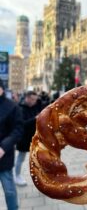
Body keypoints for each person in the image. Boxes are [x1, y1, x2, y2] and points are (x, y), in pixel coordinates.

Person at [0, 78, 23, 210]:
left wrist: (3, 147)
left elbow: (18, 131)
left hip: (4, 157)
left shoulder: (12, 107)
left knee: (9, 191)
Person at [15, 91, 41, 186]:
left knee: (37, 158)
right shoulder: (20, 108)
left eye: (35, 99)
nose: (35, 101)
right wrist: (35, 118)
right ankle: (17, 176)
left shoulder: (36, 106)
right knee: (21, 158)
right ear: (27, 98)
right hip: (23, 138)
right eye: (33, 99)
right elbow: (23, 124)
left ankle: (39, 176)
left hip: (34, 137)